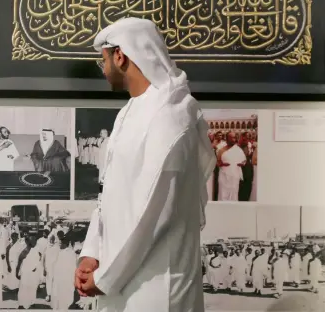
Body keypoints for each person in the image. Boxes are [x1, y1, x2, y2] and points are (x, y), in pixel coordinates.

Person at [74, 17, 217, 312]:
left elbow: (155, 213)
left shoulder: (171, 115)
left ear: (120, 56)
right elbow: (108, 194)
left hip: (158, 286)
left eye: (103, 61)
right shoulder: (129, 112)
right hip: (120, 278)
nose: (103, 70)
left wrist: (107, 277)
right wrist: (91, 254)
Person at [216, 132, 247, 201]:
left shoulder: (238, 150)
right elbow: (217, 162)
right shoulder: (221, 150)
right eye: (232, 138)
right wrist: (222, 164)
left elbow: (244, 160)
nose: (234, 139)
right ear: (227, 139)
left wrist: (243, 163)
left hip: (234, 176)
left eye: (235, 137)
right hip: (224, 176)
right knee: (223, 194)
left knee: (234, 194)